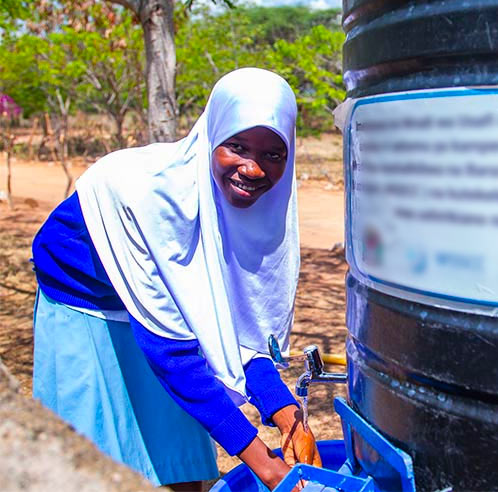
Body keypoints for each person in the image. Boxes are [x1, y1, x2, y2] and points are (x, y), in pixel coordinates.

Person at [31, 68, 321, 490]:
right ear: (211, 138)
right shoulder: (146, 197)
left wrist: (289, 418)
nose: (253, 169)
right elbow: (173, 354)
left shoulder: (259, 219)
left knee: (183, 473)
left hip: (160, 326)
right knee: (92, 470)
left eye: (274, 154)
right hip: (86, 305)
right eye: (237, 146)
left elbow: (241, 331)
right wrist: (267, 466)